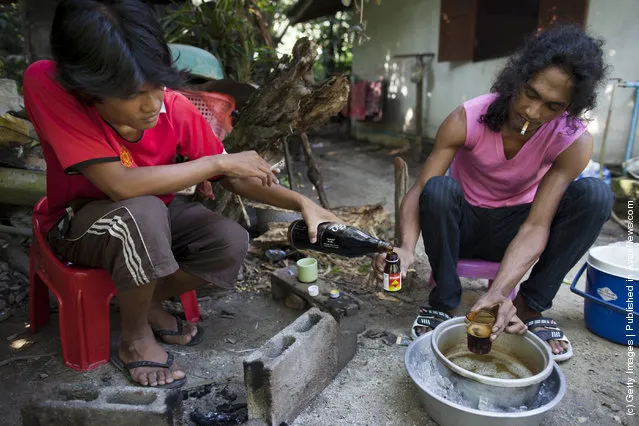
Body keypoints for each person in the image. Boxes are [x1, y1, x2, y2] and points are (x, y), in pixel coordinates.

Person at [23, 0, 340, 388]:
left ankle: (145, 299)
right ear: (89, 87)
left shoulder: (175, 109)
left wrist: (303, 203)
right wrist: (215, 164)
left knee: (228, 240)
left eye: (158, 85)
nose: (153, 103)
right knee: (142, 214)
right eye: (134, 93)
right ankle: (136, 339)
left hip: (150, 218)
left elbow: (237, 178)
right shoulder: (49, 84)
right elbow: (118, 185)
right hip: (78, 223)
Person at [374, 25, 613, 362]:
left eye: (552, 106)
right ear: (518, 78)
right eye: (530, 93)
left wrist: (500, 291)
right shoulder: (468, 118)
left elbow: (535, 226)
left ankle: (528, 308)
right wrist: (405, 246)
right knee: (438, 189)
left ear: (569, 108)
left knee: (595, 195)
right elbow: (420, 190)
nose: (532, 112)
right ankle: (443, 302)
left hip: (516, 229)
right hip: (463, 227)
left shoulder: (573, 141)